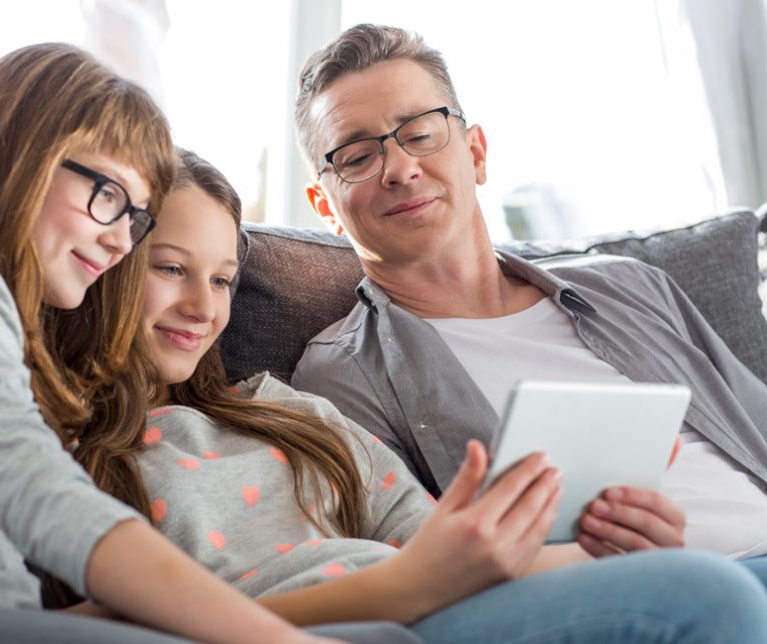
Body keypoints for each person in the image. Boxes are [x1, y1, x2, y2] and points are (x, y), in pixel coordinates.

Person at [0, 43, 397, 644]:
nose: (119, 242)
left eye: (135, 217)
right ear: (15, 164)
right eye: (106, 197)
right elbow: (49, 506)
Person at [79, 146, 767, 643]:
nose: (204, 305)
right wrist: (409, 584)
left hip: (429, 607)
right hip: (381, 620)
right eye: (172, 268)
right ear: (102, 261)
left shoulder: (288, 412)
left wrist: (609, 545)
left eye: (224, 279)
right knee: (704, 593)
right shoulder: (46, 452)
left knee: (700, 582)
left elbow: (428, 544)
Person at [290, 23, 767, 572]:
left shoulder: (629, 284)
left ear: (476, 154)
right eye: (356, 157)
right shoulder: (340, 375)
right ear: (324, 206)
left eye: (419, 133)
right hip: (654, 591)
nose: (400, 169)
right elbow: (412, 571)